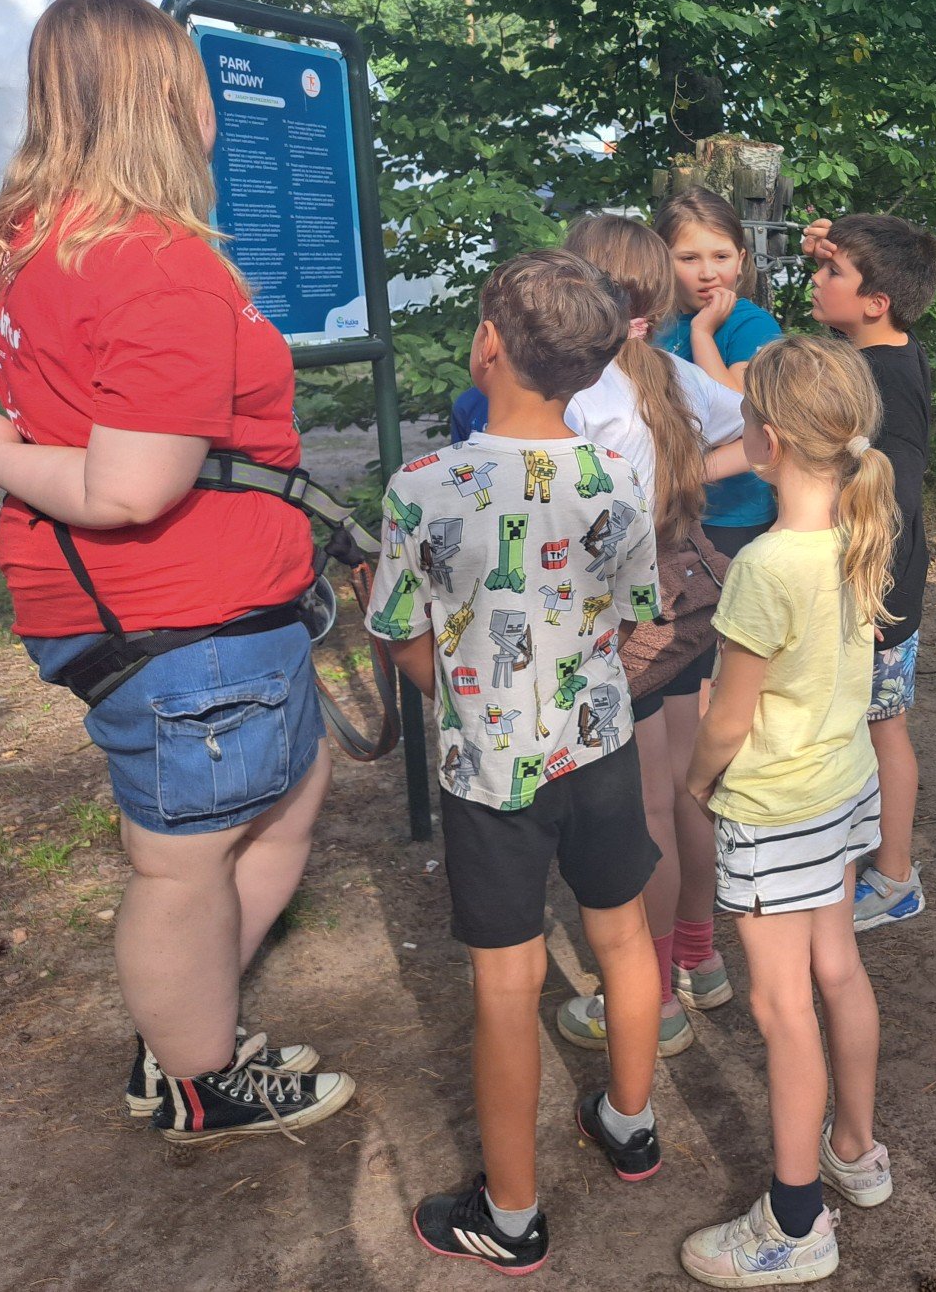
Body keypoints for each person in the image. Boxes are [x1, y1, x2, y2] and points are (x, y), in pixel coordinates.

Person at [0, 0, 352, 1141]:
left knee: (284, 802)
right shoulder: (155, 263)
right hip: (184, 617)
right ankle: (195, 1078)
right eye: (197, 86)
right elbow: (129, 488)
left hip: (168, 608)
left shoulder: (27, 244)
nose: (214, 111)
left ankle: (187, 1018)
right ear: (160, 101)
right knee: (181, 865)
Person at [368, 249, 665, 1274]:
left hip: (490, 772)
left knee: (507, 984)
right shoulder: (616, 475)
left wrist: (459, 701)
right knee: (623, 937)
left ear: (486, 344)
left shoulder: (422, 487)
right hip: (602, 749)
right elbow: (633, 616)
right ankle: (630, 1122)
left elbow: (400, 636)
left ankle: (509, 1215)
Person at [679, 336, 897, 1287]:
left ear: (765, 440)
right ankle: (856, 1148)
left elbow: (729, 717)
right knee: (837, 969)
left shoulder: (765, 566)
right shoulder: (859, 527)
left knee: (780, 1005)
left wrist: (695, 783)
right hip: (843, 786)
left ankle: (797, 1220)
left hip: (773, 808)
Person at [550, 213, 748, 1060]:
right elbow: (766, 427)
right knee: (686, 793)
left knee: (643, 810)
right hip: (685, 600)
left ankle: (653, 995)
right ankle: (700, 958)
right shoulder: (672, 373)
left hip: (613, 616)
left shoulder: (577, 393)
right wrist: (681, 477)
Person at [803, 214, 936, 932]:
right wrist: (836, 246)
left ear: (876, 302)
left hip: (877, 591)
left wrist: (868, 591)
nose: (816, 279)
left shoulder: (886, 376)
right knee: (877, 727)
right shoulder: (879, 348)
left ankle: (894, 878)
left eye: (832, 273)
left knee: (883, 730)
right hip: (876, 583)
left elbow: (900, 491)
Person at [656, 188, 783, 558]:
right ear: (661, 260)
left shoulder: (752, 325)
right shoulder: (653, 324)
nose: (708, 273)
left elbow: (740, 410)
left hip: (732, 517)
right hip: (662, 509)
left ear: (741, 260)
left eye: (721, 256)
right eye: (689, 258)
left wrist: (702, 333)